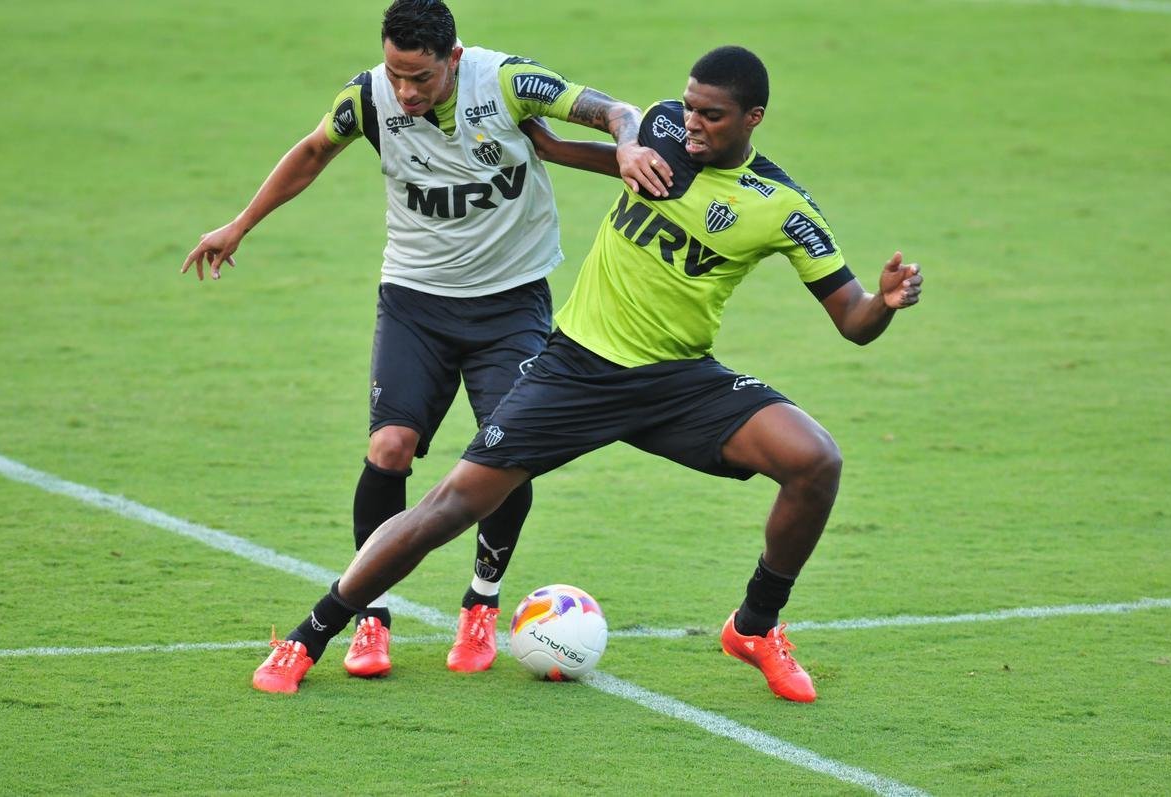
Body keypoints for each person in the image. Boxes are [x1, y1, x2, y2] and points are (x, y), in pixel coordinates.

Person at [252, 45, 923, 700]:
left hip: (674, 381)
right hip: (574, 371)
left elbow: (852, 319)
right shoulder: (660, 130)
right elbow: (598, 146)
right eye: (689, 107)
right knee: (447, 507)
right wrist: (553, 142)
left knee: (816, 460)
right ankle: (312, 633)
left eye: (711, 115)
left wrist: (885, 303)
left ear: (754, 118)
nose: (691, 122)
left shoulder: (780, 206)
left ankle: (755, 625)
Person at [184, 0, 669, 679]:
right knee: (389, 446)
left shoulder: (505, 82)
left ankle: (482, 603)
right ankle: (371, 615)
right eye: (396, 73)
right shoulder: (368, 96)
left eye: (421, 77)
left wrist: (628, 142)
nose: (406, 91)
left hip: (510, 303)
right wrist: (240, 224)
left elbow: (614, 110)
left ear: (455, 59)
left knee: (508, 454)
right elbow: (314, 150)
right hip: (415, 300)